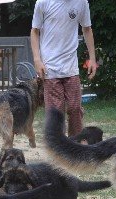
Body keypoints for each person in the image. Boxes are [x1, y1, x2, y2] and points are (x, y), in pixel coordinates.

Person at [31, 0, 98, 137]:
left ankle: (75, 146)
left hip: (71, 66)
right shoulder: (43, 2)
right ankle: (58, 148)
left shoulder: (81, 2)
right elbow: (35, 31)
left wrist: (92, 59)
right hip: (50, 67)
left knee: (75, 109)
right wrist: (37, 60)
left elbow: (87, 29)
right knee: (56, 112)